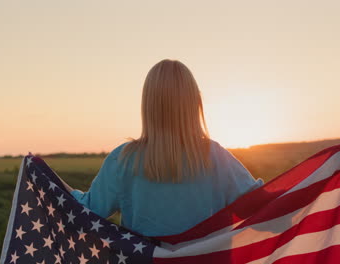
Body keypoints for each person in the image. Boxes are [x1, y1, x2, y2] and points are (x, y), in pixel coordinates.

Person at [66, 59, 264, 237]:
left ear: (148, 104)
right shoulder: (215, 156)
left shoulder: (124, 159)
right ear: (194, 102)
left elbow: (87, 211)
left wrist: (41, 173)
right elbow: (260, 208)